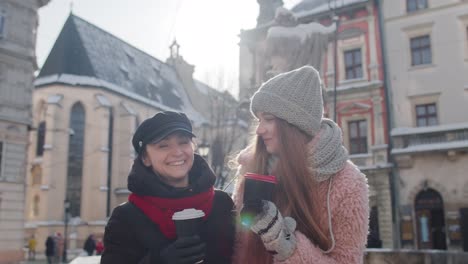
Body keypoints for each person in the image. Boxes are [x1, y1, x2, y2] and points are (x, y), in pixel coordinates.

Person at [231, 66, 369, 263]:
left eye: (268, 119)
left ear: (294, 125)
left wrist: (288, 247)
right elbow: (237, 245)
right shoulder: (251, 167)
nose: (259, 130)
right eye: (259, 120)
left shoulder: (346, 182)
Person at [101, 111, 236, 264]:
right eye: (163, 145)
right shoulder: (127, 217)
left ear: (193, 147)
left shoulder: (221, 203)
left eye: (183, 142)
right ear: (145, 158)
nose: (177, 152)